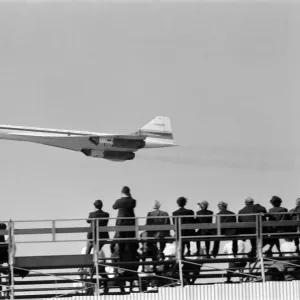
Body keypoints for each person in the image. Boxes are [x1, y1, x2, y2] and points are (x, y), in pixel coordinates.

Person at [112, 186, 138, 261]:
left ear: (122, 192)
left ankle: (121, 259)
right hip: (130, 223)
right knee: (130, 241)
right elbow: (133, 205)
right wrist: (130, 196)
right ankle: (131, 258)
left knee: (121, 242)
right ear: (129, 192)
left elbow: (114, 207)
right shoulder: (132, 201)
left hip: (120, 224)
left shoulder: (118, 201)